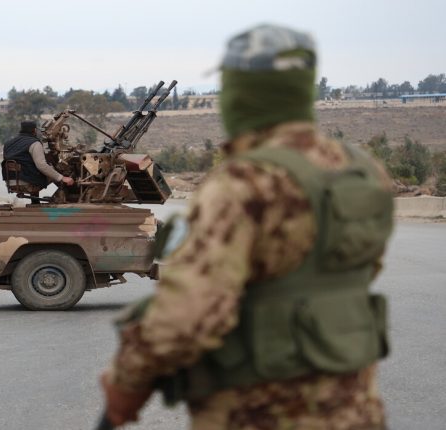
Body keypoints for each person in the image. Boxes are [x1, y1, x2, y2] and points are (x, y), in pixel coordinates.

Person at [99, 24, 394, 429]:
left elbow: (185, 316)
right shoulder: (361, 171)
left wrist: (126, 384)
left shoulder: (242, 185)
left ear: (241, 93)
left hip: (260, 413)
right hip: (355, 410)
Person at [2, 120, 74, 194]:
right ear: (35, 130)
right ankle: (64, 194)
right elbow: (41, 166)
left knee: (34, 169)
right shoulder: (34, 143)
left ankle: (35, 200)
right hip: (28, 184)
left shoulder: (8, 143)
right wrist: (62, 178)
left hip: (10, 183)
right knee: (54, 169)